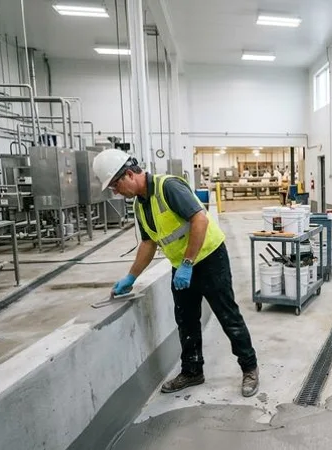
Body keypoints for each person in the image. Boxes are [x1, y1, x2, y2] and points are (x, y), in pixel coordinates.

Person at [92, 149, 260, 397]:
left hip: (209, 260)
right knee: (186, 320)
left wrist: (188, 263)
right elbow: (149, 243)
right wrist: (131, 277)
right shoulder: (141, 205)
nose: (116, 192)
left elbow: (199, 220)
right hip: (182, 267)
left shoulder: (167, 187)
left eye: (116, 186)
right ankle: (192, 371)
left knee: (228, 316)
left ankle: (250, 368)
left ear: (129, 174)